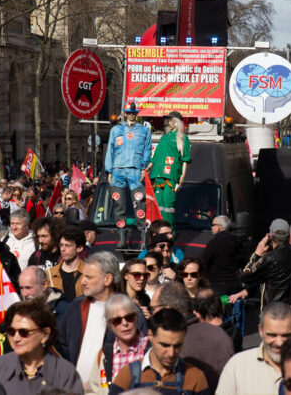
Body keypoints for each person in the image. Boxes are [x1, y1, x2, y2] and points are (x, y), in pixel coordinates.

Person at [150, 282, 234, 394]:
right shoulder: (218, 333)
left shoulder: (169, 344)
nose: (151, 315)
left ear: (168, 309)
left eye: (153, 309)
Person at [0, 298, 83, 395]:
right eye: (11, 331)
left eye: (24, 332)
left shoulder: (64, 373)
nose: (16, 338)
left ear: (45, 334)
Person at [109, 308, 210, 395]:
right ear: (150, 335)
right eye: (165, 345)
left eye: (177, 346)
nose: (171, 353)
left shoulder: (195, 378)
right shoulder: (127, 375)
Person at [58, 252, 121, 385]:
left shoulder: (127, 313)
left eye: (89, 277)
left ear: (107, 279)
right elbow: (61, 345)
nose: (83, 282)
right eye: (83, 276)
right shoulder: (76, 306)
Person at [216, 302, 291, 395]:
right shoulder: (237, 365)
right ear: (260, 331)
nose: (279, 342)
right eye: (272, 335)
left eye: (286, 335)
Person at [105, 99, 151, 248]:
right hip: (118, 171)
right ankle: (122, 237)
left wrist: (144, 168)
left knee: (140, 204)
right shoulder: (116, 130)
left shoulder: (144, 131)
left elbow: (147, 150)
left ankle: (144, 238)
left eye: (134, 113)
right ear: (125, 113)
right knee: (119, 204)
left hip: (136, 171)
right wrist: (109, 170)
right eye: (129, 113)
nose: (132, 115)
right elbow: (110, 151)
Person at [86, 294, 149, 395]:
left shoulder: (151, 349)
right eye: (117, 320)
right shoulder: (103, 355)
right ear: (110, 324)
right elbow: (93, 391)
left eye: (129, 317)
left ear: (136, 317)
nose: (124, 323)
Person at [231, 219, 291, 306]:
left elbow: (245, 276)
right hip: (288, 310)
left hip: (273, 312)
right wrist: (246, 292)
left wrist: (257, 253)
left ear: (270, 235)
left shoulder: (270, 258)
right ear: (288, 236)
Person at [147, 111, 191, 230]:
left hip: (171, 175)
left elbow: (185, 159)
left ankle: (169, 230)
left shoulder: (183, 138)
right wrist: (147, 168)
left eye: (170, 120)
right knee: (158, 205)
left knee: (168, 203)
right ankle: (159, 230)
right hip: (158, 174)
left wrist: (182, 176)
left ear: (176, 122)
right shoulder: (164, 138)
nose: (168, 122)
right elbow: (155, 157)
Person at [202, 215, 244, 296]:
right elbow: (243, 262)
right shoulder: (237, 242)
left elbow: (204, 263)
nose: (211, 228)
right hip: (234, 285)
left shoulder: (213, 243)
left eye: (213, 225)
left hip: (216, 285)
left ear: (219, 227)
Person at [45, 226, 85, 301]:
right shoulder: (49, 274)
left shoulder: (88, 274)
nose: (63, 249)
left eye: (67, 245)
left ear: (79, 248)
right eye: (61, 245)